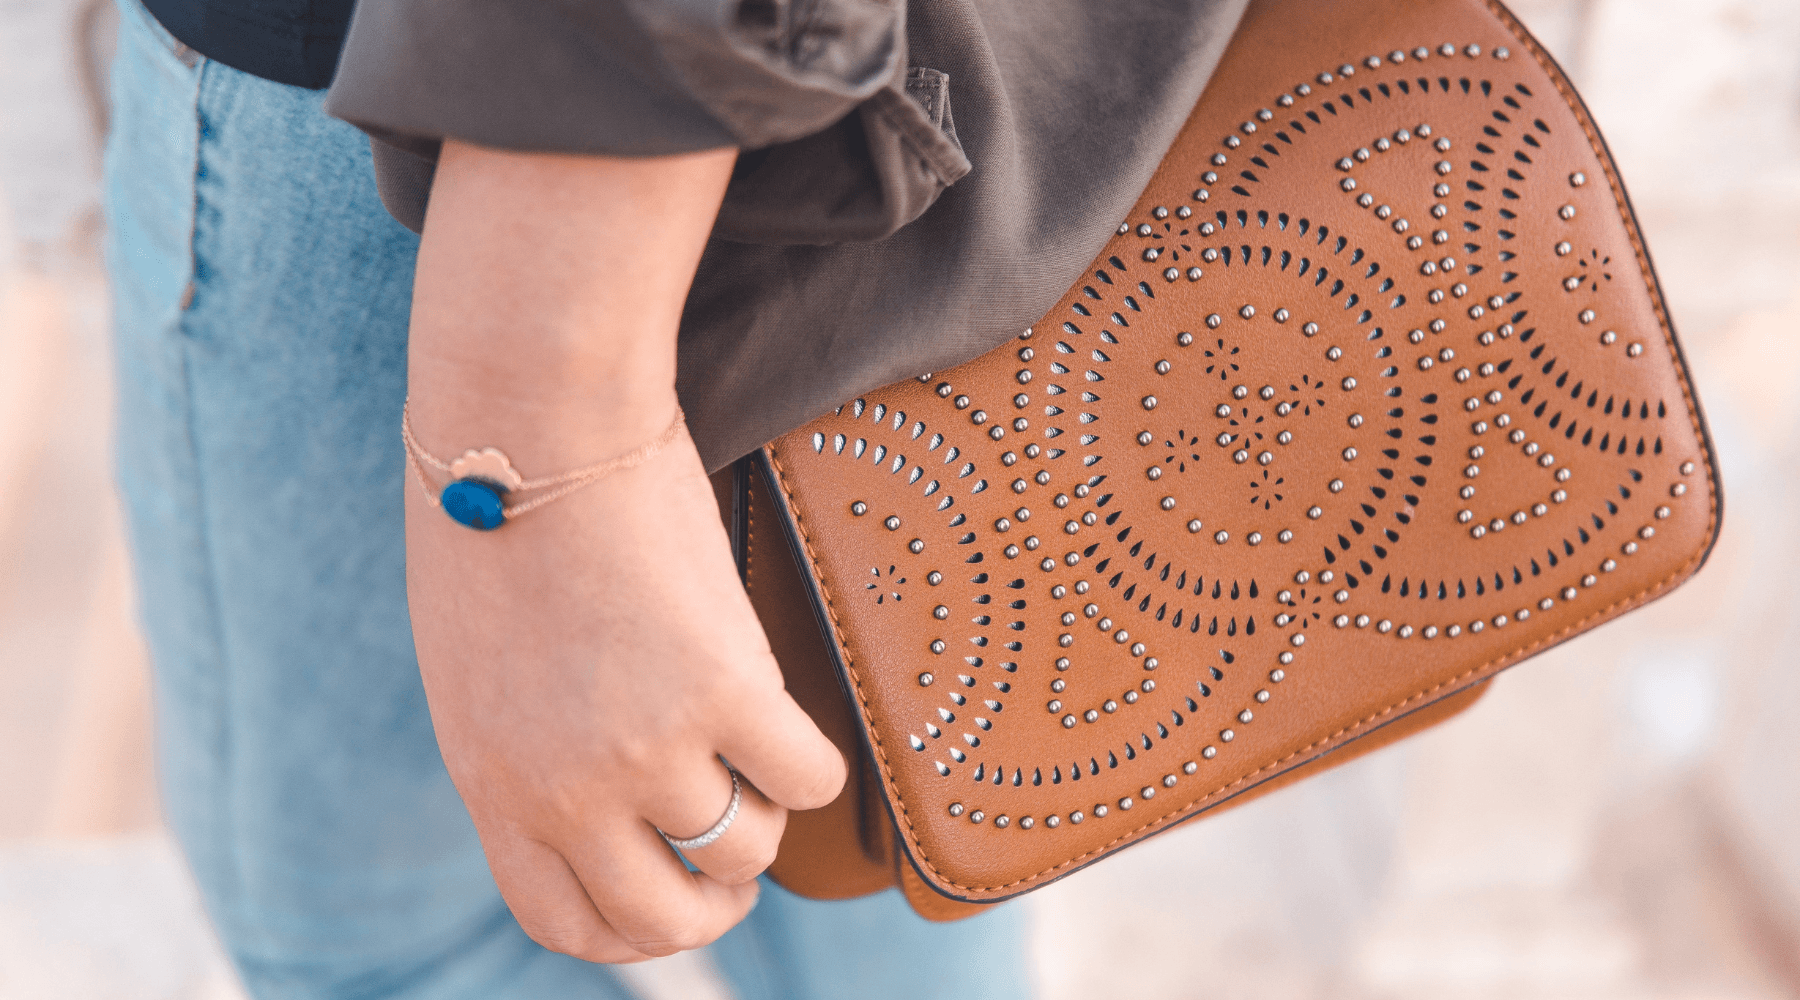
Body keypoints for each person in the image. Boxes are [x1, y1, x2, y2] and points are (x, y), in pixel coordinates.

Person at [104, 0, 1245, 994]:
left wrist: (536, 413)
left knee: (383, 942)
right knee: (892, 835)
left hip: (484, 141)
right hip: (925, 70)